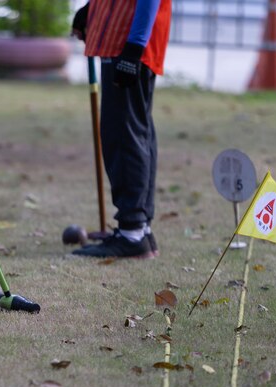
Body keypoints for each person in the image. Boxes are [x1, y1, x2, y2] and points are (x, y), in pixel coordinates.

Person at [70, 0, 171, 259]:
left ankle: (132, 232)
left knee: (124, 135)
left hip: (128, 43)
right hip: (124, 40)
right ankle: (140, 228)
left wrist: (134, 47)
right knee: (134, 131)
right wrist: (91, 9)